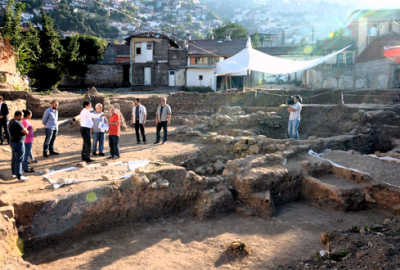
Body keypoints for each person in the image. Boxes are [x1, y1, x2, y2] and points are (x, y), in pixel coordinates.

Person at [8, 111, 29, 181]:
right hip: (18, 143)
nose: (22, 117)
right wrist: (26, 129)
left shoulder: (11, 121)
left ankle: (14, 173)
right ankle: (19, 176)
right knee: (19, 160)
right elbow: (26, 132)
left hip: (13, 142)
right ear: (18, 116)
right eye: (22, 116)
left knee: (14, 158)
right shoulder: (17, 123)